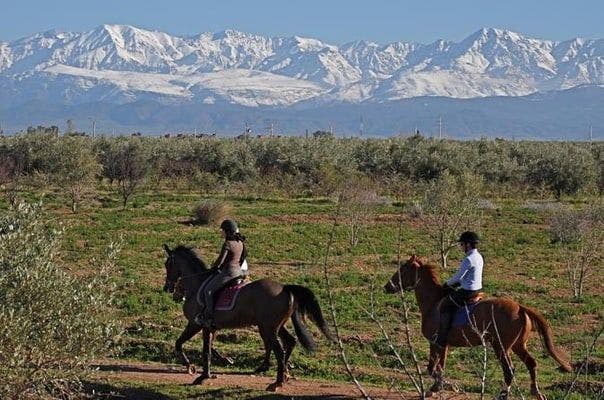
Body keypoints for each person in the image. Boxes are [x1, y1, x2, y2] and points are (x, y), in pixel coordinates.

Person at [434, 231, 483, 347]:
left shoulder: (469, 259)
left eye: (462, 244)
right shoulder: (479, 256)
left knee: (445, 305)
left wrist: (446, 284)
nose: (461, 247)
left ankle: (442, 337)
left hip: (467, 291)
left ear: (468, 244)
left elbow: (458, 276)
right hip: (477, 288)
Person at [195, 219, 247, 328]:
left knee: (207, 290)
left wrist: (212, 267)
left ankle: (209, 317)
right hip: (239, 272)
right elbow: (242, 258)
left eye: (222, 230)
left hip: (228, 273)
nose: (221, 232)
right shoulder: (240, 242)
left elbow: (220, 262)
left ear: (227, 231)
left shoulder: (228, 244)